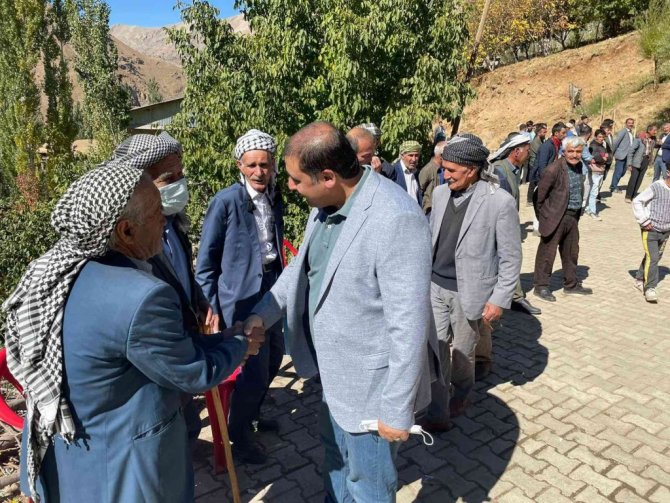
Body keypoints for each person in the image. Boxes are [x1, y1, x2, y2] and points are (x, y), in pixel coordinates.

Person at [3, 161, 262, 502]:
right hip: (124, 473)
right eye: (156, 212)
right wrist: (241, 343)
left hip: (75, 462)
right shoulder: (140, 296)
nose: (164, 219)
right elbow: (194, 373)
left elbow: (160, 349)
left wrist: (225, 338)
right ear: (125, 231)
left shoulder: (62, 274)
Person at [246, 121, 437, 502]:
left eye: (297, 180)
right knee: (336, 464)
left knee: (368, 486)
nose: (291, 187)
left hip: (371, 392)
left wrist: (397, 409)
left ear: (329, 177)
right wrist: (260, 315)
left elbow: (409, 323)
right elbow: (301, 269)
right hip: (333, 380)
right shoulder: (323, 206)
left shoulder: (395, 218)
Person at [111, 133, 216, 444]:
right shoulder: (130, 241)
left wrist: (199, 301)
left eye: (181, 174)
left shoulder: (174, 221)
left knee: (189, 426)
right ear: (140, 187)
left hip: (183, 341)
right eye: (169, 178)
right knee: (173, 433)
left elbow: (183, 274)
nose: (180, 184)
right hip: (156, 361)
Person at [196, 129, 285, 464]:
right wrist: (212, 309)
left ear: (273, 165)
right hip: (240, 300)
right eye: (252, 165)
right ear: (240, 166)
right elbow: (206, 263)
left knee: (275, 356)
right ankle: (240, 435)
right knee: (253, 370)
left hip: (270, 288)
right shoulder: (226, 202)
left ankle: (254, 415)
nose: (259, 171)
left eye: (265, 164)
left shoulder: (274, 196)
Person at [422, 133, 521, 429]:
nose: (445, 175)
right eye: (444, 169)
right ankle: (438, 409)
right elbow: (431, 238)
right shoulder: (440, 194)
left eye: (452, 170)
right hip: (435, 286)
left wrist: (499, 299)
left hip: (470, 292)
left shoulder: (499, 202)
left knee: (463, 353)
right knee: (436, 349)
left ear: (471, 169)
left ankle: (463, 393)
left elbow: (511, 257)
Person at [533, 136, 593, 302]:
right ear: (563, 152)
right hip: (555, 218)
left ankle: (571, 284)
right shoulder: (553, 170)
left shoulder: (579, 166)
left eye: (578, 151)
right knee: (547, 254)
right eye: (571, 151)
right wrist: (545, 217)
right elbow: (539, 197)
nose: (574, 155)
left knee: (571, 252)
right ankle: (541, 286)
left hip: (572, 217)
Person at [489, 132, 541, 316]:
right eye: (527, 150)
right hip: (499, 226)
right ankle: (515, 297)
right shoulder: (500, 171)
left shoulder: (513, 170)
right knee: (509, 258)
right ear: (516, 152)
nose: (529, 154)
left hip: (508, 223)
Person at [632, 175, 670, 302]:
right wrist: (643, 220)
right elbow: (637, 201)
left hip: (666, 231)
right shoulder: (656, 187)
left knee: (654, 257)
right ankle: (650, 288)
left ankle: (639, 279)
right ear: (668, 172)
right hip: (650, 230)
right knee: (653, 258)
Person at [625, 124, 658, 202]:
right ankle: (628, 196)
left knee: (640, 179)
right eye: (654, 130)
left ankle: (634, 195)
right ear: (649, 130)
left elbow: (652, 149)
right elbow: (631, 151)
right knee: (633, 179)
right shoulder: (639, 139)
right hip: (637, 160)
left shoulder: (653, 140)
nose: (655, 132)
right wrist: (629, 163)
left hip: (646, 161)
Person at [584, 129, 609, 220]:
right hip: (595, 170)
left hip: (600, 170)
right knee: (594, 191)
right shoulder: (593, 145)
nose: (601, 139)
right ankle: (592, 211)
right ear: (595, 137)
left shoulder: (602, 145)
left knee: (594, 190)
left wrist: (604, 157)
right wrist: (603, 157)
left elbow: (608, 156)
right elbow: (595, 158)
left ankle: (588, 208)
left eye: (603, 137)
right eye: (599, 137)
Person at [419, 140, 446, 215]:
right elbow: (420, 190)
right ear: (441, 156)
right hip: (431, 210)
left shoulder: (445, 168)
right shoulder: (427, 170)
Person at [392, 140, 422, 205]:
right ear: (402, 156)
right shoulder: (393, 172)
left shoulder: (417, 173)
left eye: (416, 155)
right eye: (411, 155)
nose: (414, 159)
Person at [610, 117, 636, 193]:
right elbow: (616, 142)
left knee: (623, 172)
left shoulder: (631, 133)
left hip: (627, 156)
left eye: (632, 123)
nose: (630, 124)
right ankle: (613, 187)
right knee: (618, 172)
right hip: (621, 155)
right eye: (629, 123)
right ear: (626, 123)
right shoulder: (623, 131)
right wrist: (612, 153)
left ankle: (614, 184)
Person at [526, 123, 547, 205]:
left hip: (537, 163)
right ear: (539, 133)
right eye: (544, 132)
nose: (545, 134)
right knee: (533, 182)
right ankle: (529, 200)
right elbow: (540, 152)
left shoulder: (540, 140)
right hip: (534, 164)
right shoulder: (535, 142)